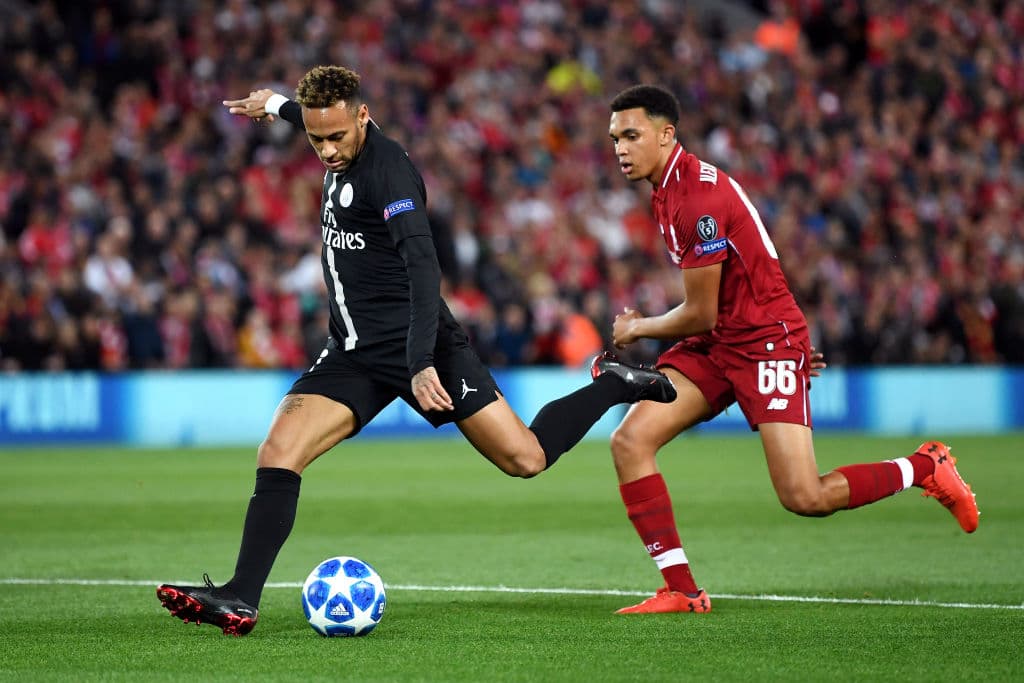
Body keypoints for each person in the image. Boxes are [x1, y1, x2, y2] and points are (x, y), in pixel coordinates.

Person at [155, 66, 676, 636]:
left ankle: (614, 383)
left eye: (336, 137)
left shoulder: (390, 173)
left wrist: (422, 360)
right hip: (353, 351)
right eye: (315, 139)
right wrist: (276, 104)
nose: (327, 151)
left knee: (524, 459)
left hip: (420, 343)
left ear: (363, 116)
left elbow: (425, 268)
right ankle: (241, 598)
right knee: (278, 451)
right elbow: (308, 117)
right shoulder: (331, 129)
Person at [599, 84, 979, 615]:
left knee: (805, 497)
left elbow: (701, 311)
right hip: (721, 343)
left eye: (631, 135)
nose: (620, 148)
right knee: (630, 441)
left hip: (762, 342)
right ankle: (682, 591)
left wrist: (638, 327)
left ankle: (924, 467)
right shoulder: (666, 188)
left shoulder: (696, 198)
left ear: (666, 135)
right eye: (615, 138)